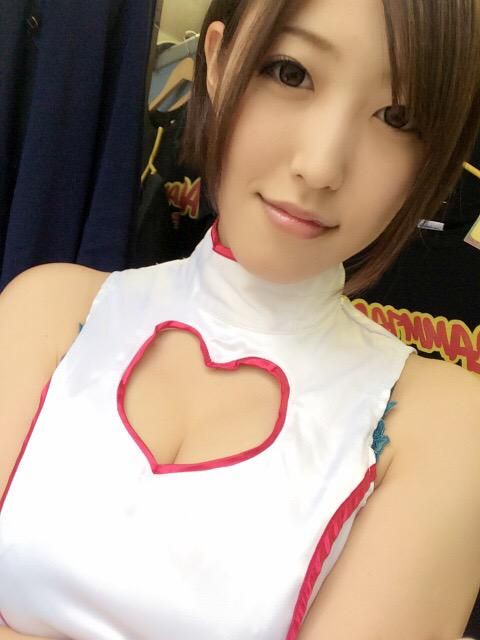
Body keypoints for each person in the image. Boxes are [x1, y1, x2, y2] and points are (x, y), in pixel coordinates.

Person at [0, 0, 479, 638]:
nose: (321, 165)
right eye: (291, 73)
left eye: (398, 117)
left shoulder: (441, 425)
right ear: (219, 63)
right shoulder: (50, 311)